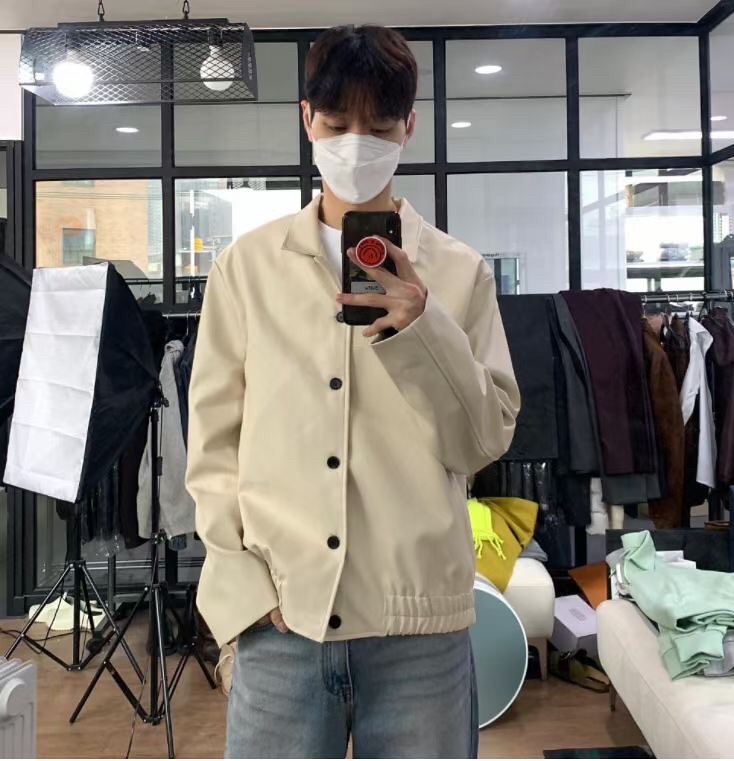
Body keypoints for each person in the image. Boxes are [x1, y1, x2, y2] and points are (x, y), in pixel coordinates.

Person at [186, 24, 520, 759]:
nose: (356, 144)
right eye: (337, 125)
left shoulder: (458, 273)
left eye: (378, 127)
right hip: (282, 620)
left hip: (419, 634)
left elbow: (482, 441)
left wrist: (423, 329)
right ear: (307, 119)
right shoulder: (247, 269)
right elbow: (211, 449)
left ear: (408, 127)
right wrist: (243, 591)